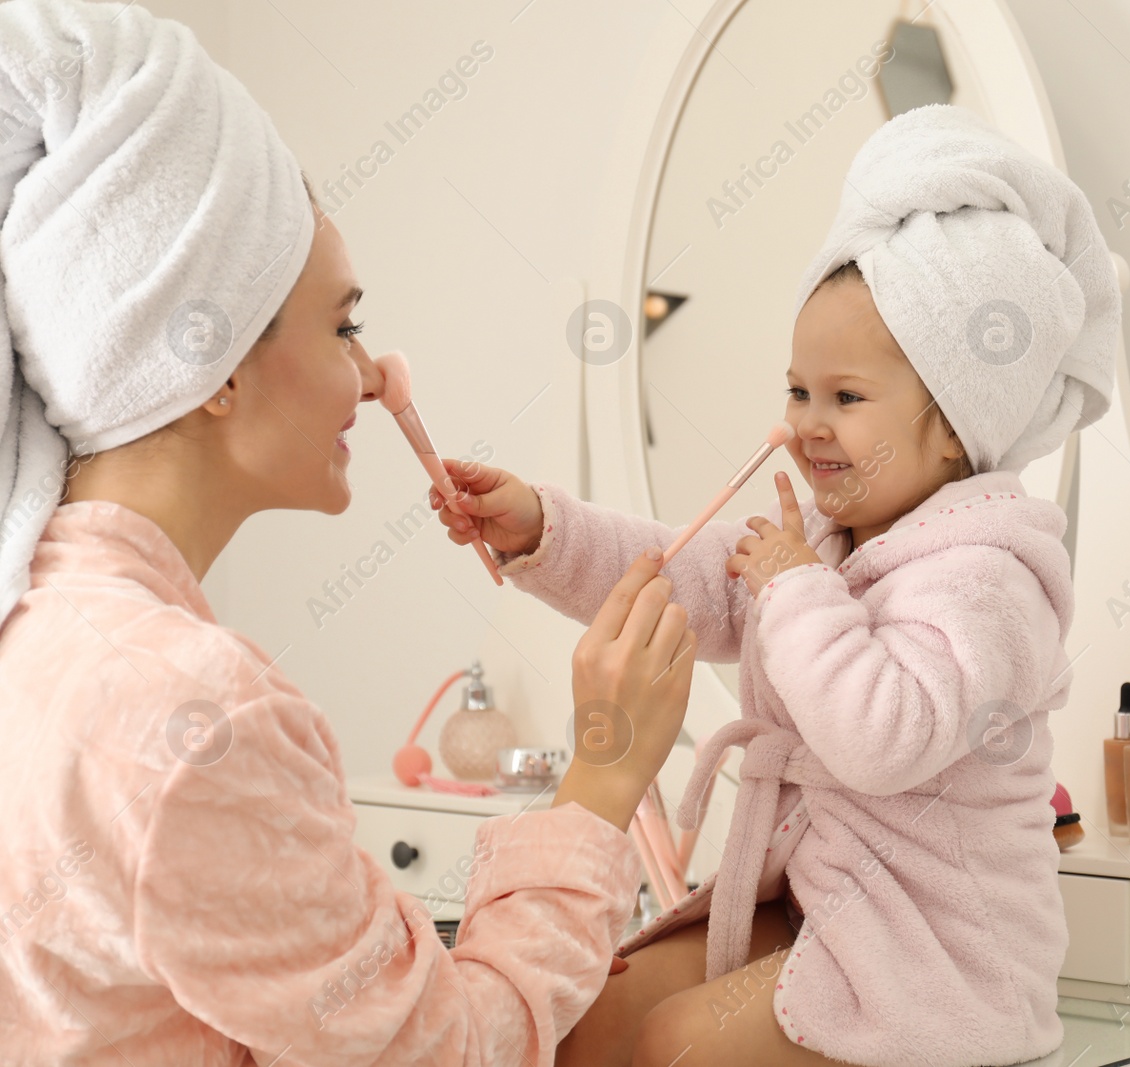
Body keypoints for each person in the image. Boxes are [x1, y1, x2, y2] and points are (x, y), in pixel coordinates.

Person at [0, 2, 690, 1063]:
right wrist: (603, 775)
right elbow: (456, 1049)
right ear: (214, 364)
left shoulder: (41, 638)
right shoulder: (193, 711)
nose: (372, 377)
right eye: (343, 325)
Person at [429, 103, 1122, 1066]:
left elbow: (885, 736)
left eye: (847, 398)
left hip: (935, 950)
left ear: (958, 425)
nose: (806, 425)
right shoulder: (833, 543)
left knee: (678, 1044)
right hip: (814, 901)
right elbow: (692, 574)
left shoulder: (990, 579)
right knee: (590, 1019)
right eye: (799, 391)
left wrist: (798, 590)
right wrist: (543, 528)